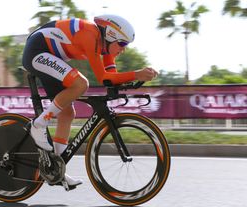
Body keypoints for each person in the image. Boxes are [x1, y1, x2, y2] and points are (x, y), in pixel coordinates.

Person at [22, 14, 158, 189]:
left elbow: (111, 78)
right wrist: (136, 74)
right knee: (81, 84)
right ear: (110, 35)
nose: (123, 49)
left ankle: (57, 168)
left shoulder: (106, 48)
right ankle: (38, 125)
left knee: (68, 112)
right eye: (122, 44)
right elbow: (102, 77)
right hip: (37, 51)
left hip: (51, 56)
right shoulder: (90, 35)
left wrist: (135, 79)